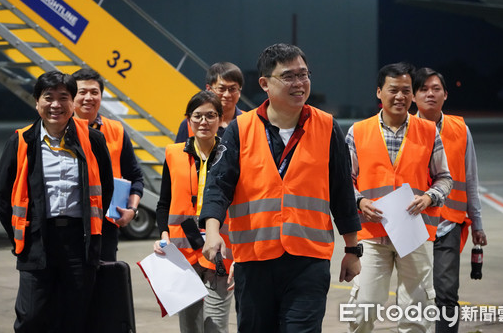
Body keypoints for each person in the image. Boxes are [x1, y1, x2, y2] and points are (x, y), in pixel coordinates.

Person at [199, 43, 362, 333]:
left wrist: (352, 249)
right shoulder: (240, 129)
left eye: (304, 74)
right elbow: (218, 186)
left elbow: (342, 193)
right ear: (265, 83)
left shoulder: (327, 127)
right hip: (254, 258)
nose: (299, 83)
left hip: (308, 259)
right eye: (288, 76)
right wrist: (212, 232)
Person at [0, 71, 114, 333]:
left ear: (73, 103)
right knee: (31, 317)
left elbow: (105, 188)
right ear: (37, 102)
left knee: (75, 317)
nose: (56, 105)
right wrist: (19, 237)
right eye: (48, 97)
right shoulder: (20, 141)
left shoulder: (93, 141)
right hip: (37, 240)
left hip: (78, 243)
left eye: (64, 97)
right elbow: (2, 195)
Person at [345, 62, 453, 333]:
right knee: (363, 309)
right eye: (393, 90)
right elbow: (345, 181)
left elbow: (445, 178)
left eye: (406, 91)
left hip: (414, 234)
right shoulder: (357, 132)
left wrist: (430, 197)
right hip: (372, 235)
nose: (400, 97)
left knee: (415, 312)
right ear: (379, 92)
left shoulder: (429, 131)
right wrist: (359, 201)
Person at [413, 67, 488, 333]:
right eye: (423, 89)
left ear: (445, 94)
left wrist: (477, 224)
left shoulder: (460, 129)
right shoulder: (406, 129)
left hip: (448, 223)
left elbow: (470, 179)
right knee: (414, 296)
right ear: (413, 96)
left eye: (436, 89)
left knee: (447, 293)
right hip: (415, 225)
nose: (430, 94)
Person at [154, 90, 234, 333]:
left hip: (219, 251)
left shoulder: (231, 156)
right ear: (188, 120)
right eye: (197, 116)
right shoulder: (173, 154)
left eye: (210, 116)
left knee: (216, 326)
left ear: (220, 119)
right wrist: (163, 234)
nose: (203, 122)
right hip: (182, 253)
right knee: (189, 326)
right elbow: (163, 203)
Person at [72, 68, 144, 261]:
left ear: (101, 96)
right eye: (82, 92)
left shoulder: (116, 130)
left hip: (106, 226)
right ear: (72, 96)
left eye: (94, 92)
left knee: (104, 285)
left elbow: (135, 176)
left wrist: (132, 210)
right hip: (69, 223)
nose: (89, 97)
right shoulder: (60, 131)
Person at [175, 62, 244, 143]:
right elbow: (179, 154)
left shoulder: (250, 122)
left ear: (239, 91)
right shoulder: (192, 123)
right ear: (208, 89)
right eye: (221, 89)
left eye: (232, 89)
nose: (227, 95)